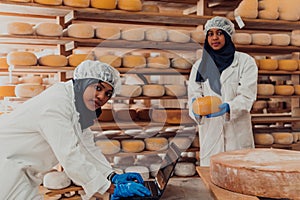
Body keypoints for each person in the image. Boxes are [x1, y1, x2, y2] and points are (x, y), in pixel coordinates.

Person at [0, 60, 151, 200]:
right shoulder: (56, 104)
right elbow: (69, 155)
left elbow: (87, 147)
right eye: (98, 88)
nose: (101, 97)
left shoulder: (77, 107)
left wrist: (111, 176)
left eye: (108, 94)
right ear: (84, 82)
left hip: (20, 170)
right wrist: (110, 188)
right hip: (5, 167)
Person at [188, 16, 258, 166]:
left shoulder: (245, 62)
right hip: (211, 132)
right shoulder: (199, 66)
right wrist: (194, 107)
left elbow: (247, 96)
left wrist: (229, 107)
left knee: (239, 180)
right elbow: (194, 94)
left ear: (227, 35)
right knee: (212, 180)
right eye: (210, 34)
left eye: (219, 33)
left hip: (236, 134)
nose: (214, 38)